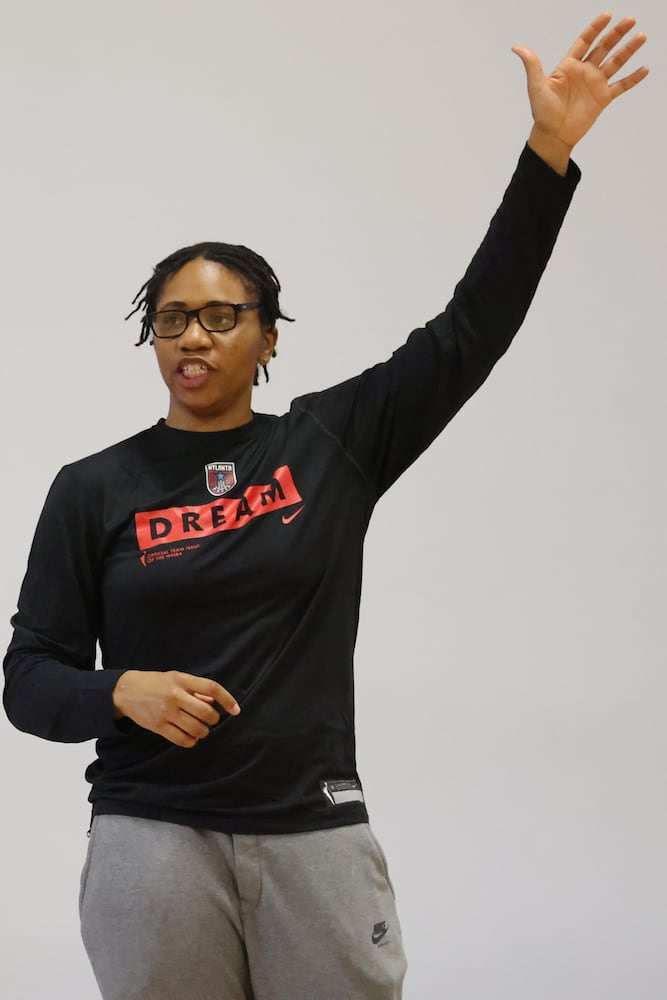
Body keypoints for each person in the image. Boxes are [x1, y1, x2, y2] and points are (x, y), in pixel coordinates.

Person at [2, 13, 648, 1000]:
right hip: (149, 836)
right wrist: (117, 690)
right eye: (173, 317)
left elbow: (469, 329)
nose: (195, 336)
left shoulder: (330, 443)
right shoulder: (94, 488)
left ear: (266, 339)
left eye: (223, 316)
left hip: (313, 831)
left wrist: (547, 152)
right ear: (151, 337)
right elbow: (31, 680)